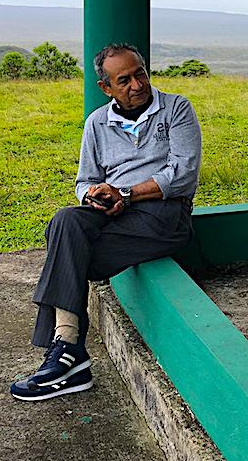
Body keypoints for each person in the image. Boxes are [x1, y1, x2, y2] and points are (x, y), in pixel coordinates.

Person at [11, 43, 202, 400]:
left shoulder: (176, 108)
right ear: (107, 88)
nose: (137, 84)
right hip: (116, 214)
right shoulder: (97, 123)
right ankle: (68, 347)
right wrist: (94, 195)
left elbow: (184, 173)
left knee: (68, 255)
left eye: (140, 73)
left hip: (164, 215)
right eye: (124, 80)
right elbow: (84, 180)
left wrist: (125, 194)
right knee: (65, 222)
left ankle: (66, 355)